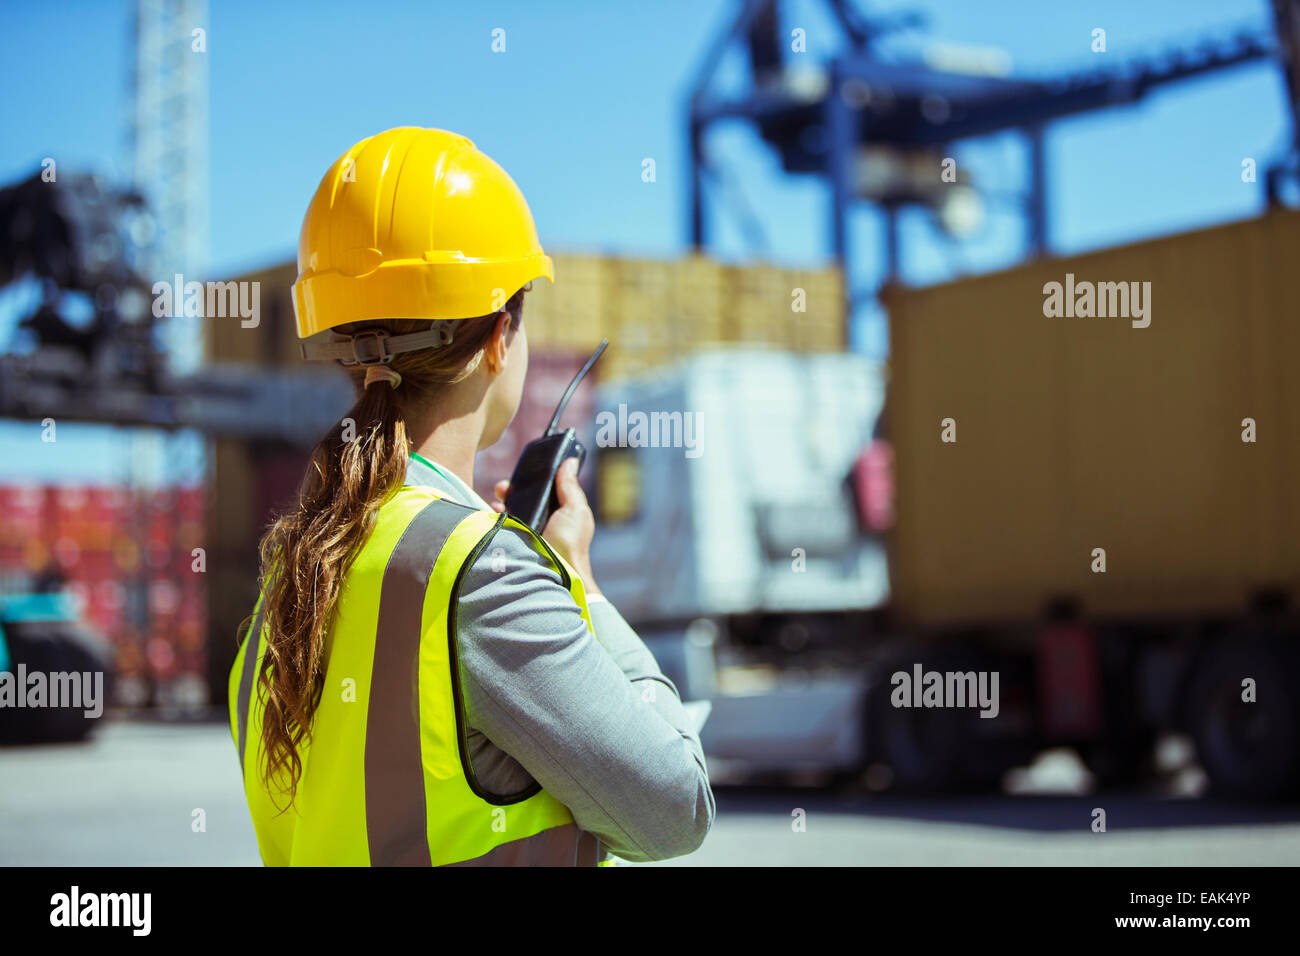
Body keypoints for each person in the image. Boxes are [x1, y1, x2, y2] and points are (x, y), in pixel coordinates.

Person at [227, 127, 714, 866]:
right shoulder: (480, 573)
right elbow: (674, 809)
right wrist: (577, 582)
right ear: (497, 338)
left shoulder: (290, 575)